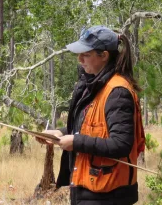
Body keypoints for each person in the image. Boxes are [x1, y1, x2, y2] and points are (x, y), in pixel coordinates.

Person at [37, 25, 145, 205]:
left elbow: (121, 144)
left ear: (104, 55)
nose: (79, 59)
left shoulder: (117, 92)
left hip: (108, 195)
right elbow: (90, 128)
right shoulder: (94, 84)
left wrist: (75, 142)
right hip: (89, 188)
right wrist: (60, 134)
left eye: (85, 54)